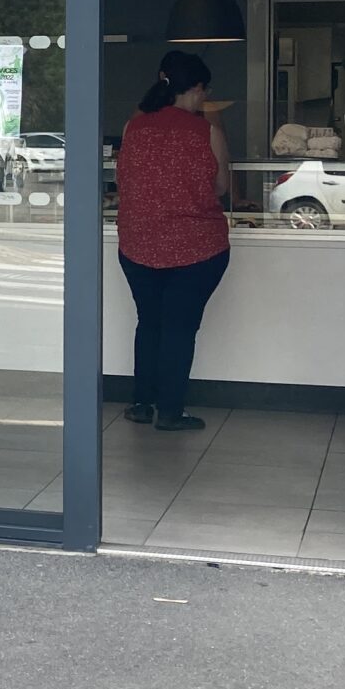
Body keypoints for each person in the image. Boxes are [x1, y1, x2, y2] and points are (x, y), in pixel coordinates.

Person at [115, 50, 231, 431]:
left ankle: (140, 402)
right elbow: (222, 187)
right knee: (179, 329)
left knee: (148, 322)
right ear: (197, 89)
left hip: (138, 243)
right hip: (196, 247)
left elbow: (123, 180)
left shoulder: (134, 127)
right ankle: (170, 411)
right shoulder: (207, 131)